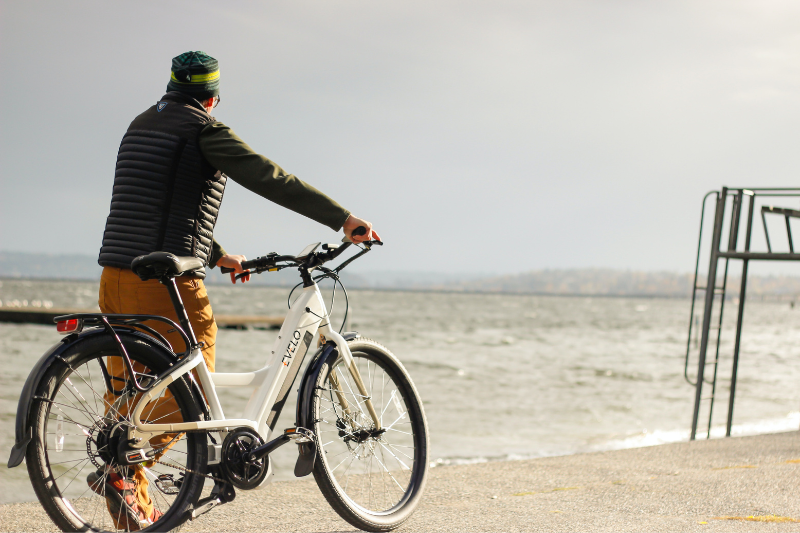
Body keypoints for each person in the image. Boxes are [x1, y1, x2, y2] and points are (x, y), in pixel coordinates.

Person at [89, 51, 379, 529]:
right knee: (191, 375)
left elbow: (160, 198)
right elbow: (269, 176)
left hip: (117, 272)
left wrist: (217, 251)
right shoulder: (204, 129)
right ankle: (125, 463)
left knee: (131, 390)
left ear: (171, 87)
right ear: (212, 96)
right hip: (166, 283)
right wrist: (342, 219)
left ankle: (132, 508)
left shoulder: (141, 125)